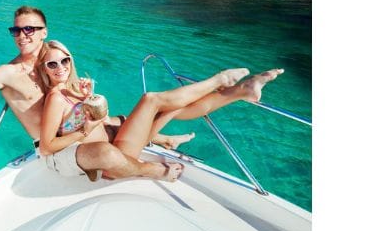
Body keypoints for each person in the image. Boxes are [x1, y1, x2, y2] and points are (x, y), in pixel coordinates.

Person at [0, 6, 194, 180]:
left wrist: (86, 97)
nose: (22, 36)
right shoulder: (7, 73)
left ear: (44, 32)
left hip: (76, 133)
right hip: (54, 150)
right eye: (16, 30)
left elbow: (75, 109)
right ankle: (148, 169)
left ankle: (166, 137)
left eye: (30, 29)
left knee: (132, 115)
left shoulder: (54, 62)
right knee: (111, 146)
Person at [36, 39, 284, 182]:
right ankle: (220, 79)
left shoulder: (73, 90)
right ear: (44, 69)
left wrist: (88, 97)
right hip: (116, 159)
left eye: (65, 60)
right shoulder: (55, 98)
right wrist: (83, 131)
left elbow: (94, 120)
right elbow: (47, 147)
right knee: (151, 100)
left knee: (172, 108)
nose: (60, 67)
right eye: (52, 64)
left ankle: (242, 91)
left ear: (71, 60)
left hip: (118, 143)